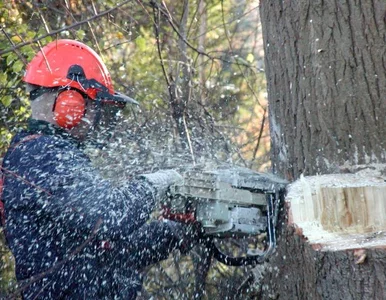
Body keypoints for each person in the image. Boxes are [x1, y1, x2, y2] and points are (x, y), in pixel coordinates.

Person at [1, 39, 200, 299]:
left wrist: (177, 231)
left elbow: (112, 250)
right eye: (94, 107)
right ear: (69, 103)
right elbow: (112, 215)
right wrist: (155, 183)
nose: (96, 119)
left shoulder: (47, 155)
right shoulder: (41, 156)